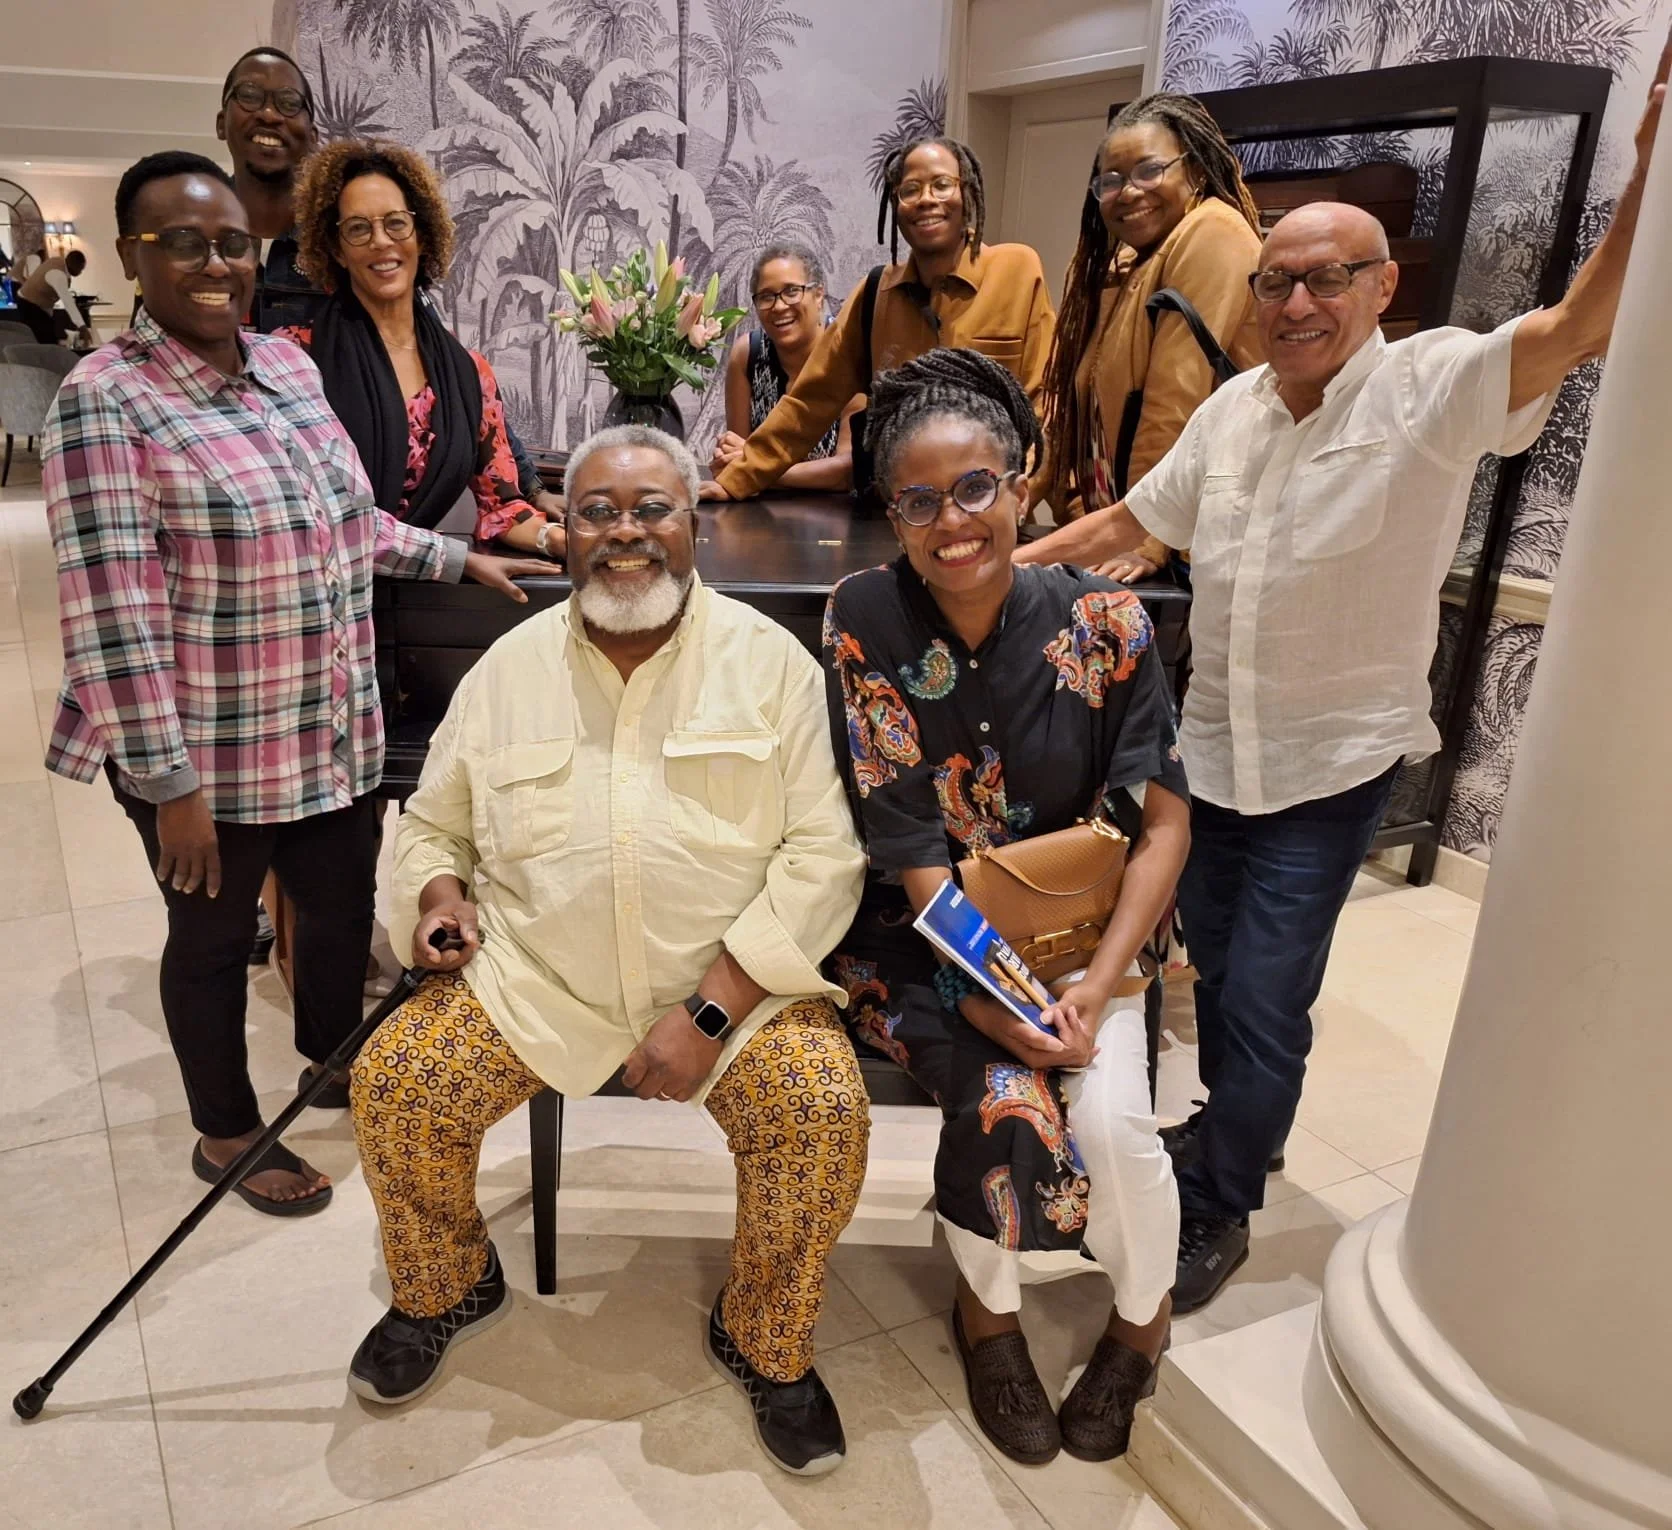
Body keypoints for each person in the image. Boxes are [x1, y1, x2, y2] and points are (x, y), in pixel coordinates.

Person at [1015, 35, 1671, 1316]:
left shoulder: (1432, 387)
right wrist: (983, 570)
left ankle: (1222, 1201)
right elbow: (1128, 531)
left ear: (1379, 290)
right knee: (1206, 963)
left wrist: (1650, 163)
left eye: (1324, 280)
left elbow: (1583, 324)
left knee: (1260, 997)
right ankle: (1209, 1142)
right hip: (1205, 760)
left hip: (1328, 766)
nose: (1296, 305)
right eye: (1275, 284)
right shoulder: (1232, 413)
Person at [347, 424, 869, 1475]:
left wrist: (708, 1012)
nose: (623, 534)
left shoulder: (769, 664)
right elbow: (435, 827)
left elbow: (825, 855)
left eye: (649, 509)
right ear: (561, 532)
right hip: (538, 983)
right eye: (596, 513)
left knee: (818, 1110)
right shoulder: (507, 670)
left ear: (693, 524)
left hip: (735, 992)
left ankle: (762, 1336)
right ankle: (448, 1282)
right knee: (395, 1081)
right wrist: (437, 896)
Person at [42, 152, 546, 1217]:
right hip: (207, 749)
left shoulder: (285, 365)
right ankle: (225, 1131)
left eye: (230, 240)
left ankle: (331, 1058)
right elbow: (110, 614)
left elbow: (348, 523)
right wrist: (167, 781)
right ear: (135, 255)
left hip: (324, 721)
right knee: (216, 939)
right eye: (183, 241)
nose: (215, 261)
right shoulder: (107, 399)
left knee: (334, 907)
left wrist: (462, 559)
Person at [824, 349, 1189, 1465]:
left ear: (1020, 483)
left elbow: (1162, 823)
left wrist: (1087, 984)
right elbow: (913, 855)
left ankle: (1140, 1325)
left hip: (1096, 941)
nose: (953, 521)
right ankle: (986, 1319)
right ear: (895, 514)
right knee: (996, 1102)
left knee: (1116, 1124)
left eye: (976, 486)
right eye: (920, 500)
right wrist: (995, 1002)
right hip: (933, 945)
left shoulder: (1109, 621)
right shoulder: (867, 622)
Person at [216, 48, 563, 517]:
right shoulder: (201, 243)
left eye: (288, 102)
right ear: (222, 123)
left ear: (313, 134)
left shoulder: (346, 256)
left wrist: (532, 490)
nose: (270, 114)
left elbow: (456, 383)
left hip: (351, 528)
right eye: (251, 96)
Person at [701, 136, 1056, 502]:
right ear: (895, 205)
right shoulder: (875, 294)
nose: (927, 199)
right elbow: (809, 403)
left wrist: (1015, 502)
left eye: (942, 184)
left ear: (967, 192)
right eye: (910, 189)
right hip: (902, 512)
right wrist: (736, 481)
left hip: (990, 507)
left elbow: (1044, 408)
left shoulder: (1017, 271)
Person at [287, 138, 562, 558]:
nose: (381, 241)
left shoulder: (469, 374)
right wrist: (456, 561)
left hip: (420, 603)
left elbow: (502, 507)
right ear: (337, 251)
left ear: (422, 235)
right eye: (358, 228)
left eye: (396, 223)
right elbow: (300, 512)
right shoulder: (292, 360)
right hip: (318, 600)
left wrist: (559, 540)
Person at [1038, 93, 1263, 580]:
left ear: (1196, 171)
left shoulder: (1213, 234)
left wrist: (1143, 538)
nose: (1129, 191)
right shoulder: (1123, 264)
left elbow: (1174, 403)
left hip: (1177, 551)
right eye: (1111, 180)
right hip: (1123, 533)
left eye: (1149, 170)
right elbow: (1079, 404)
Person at [710, 242, 860, 491]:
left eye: (792, 291)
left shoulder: (847, 353)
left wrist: (756, 469)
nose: (779, 306)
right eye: (767, 296)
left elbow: (846, 473)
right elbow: (734, 460)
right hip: (758, 517)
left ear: (818, 293)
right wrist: (746, 467)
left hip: (838, 521)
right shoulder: (748, 355)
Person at [14, 248, 93, 346]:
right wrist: (82, 327)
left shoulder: (58, 261)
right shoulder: (58, 274)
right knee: (45, 339)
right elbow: (68, 302)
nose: (80, 272)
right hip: (28, 303)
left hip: (32, 302)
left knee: (48, 335)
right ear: (74, 265)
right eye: (80, 269)